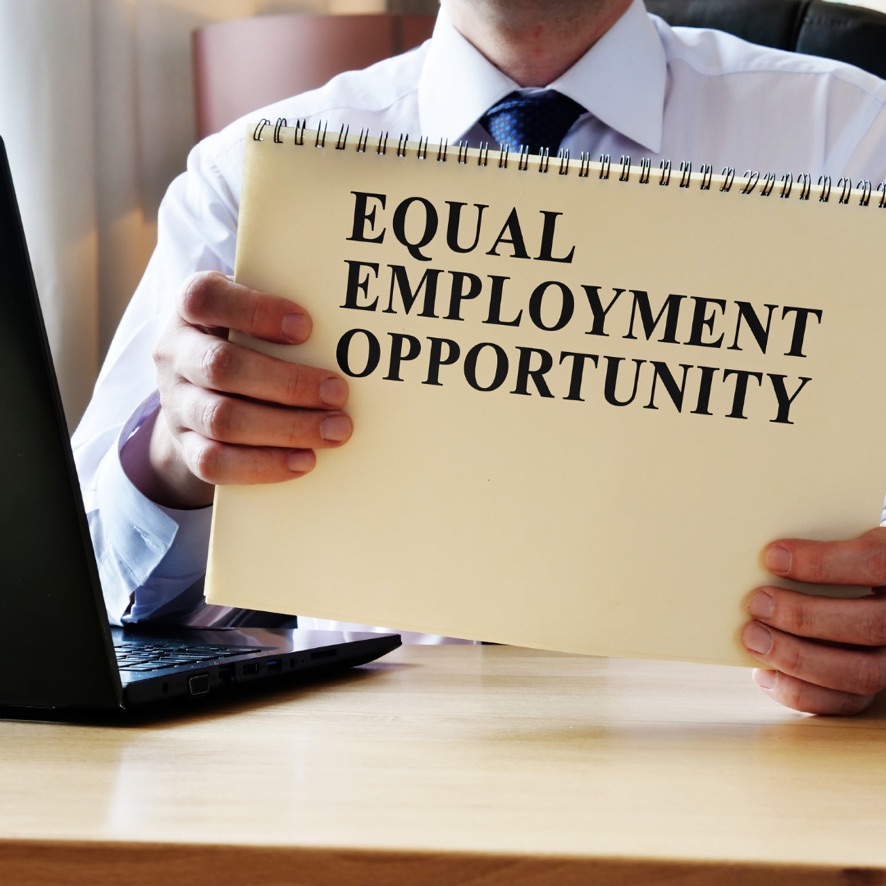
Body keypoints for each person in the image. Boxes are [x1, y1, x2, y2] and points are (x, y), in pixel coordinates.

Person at [72, 0, 886, 715]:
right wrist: (175, 460)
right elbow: (75, 600)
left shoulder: (853, 140)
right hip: (362, 787)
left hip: (748, 776)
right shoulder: (245, 180)